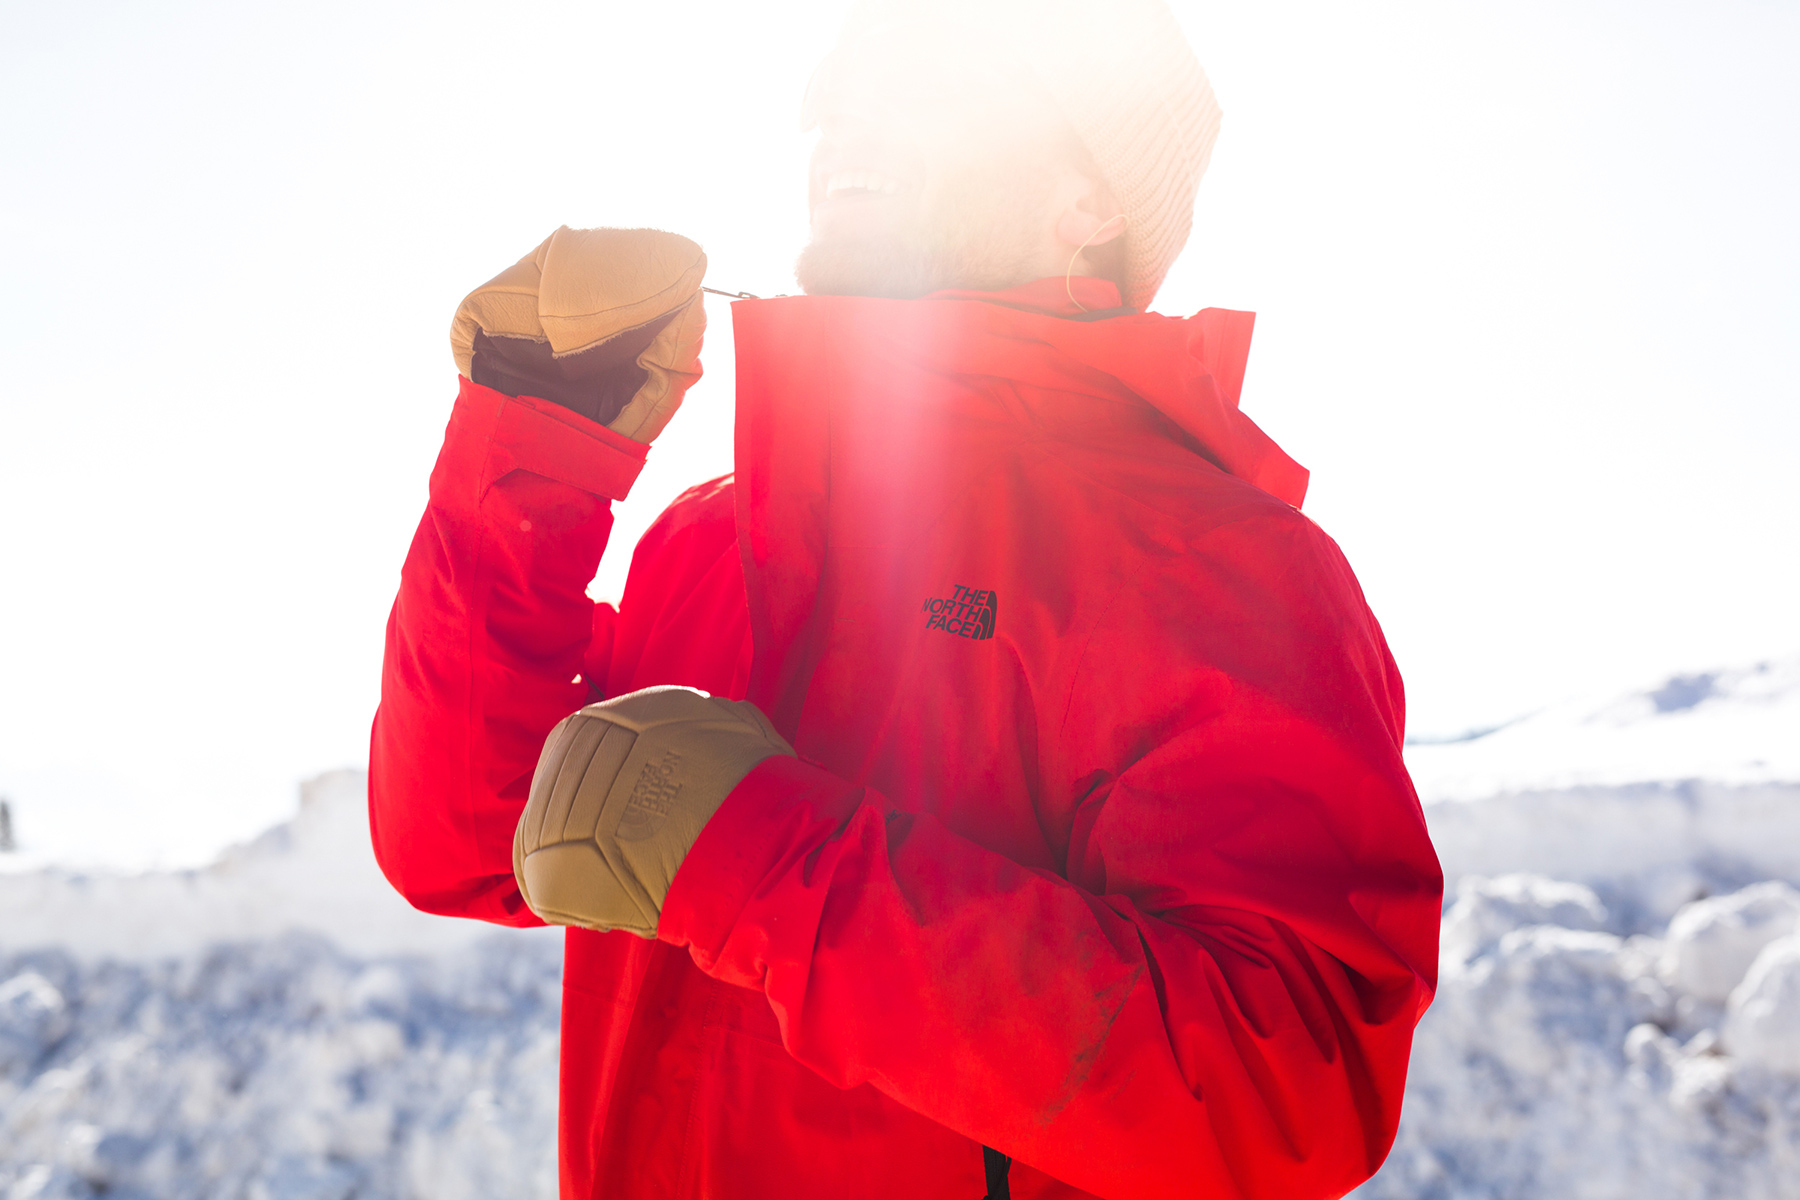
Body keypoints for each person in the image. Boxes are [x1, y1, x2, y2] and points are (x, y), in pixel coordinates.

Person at [369, 1, 1443, 1196]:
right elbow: (475, 844)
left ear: (1092, 205)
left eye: (928, 85)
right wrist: (534, 444)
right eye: (836, 90)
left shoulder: (1215, 565)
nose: (845, 120)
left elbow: (1283, 1088)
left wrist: (758, 860)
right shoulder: (707, 536)